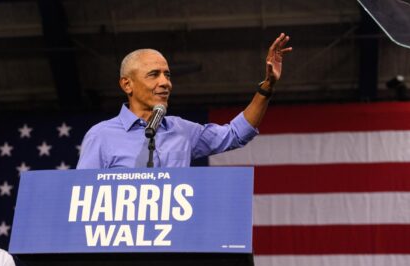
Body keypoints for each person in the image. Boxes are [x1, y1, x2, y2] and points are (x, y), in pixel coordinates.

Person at [77, 33, 292, 169]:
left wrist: (267, 87)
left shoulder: (183, 130)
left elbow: (235, 134)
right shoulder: (101, 136)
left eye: (167, 75)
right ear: (127, 85)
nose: (165, 83)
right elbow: (84, 200)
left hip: (177, 240)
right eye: (154, 75)